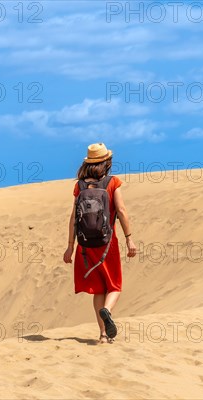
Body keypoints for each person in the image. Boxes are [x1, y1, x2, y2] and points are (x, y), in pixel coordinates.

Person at [63, 143, 137, 344]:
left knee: (98, 290)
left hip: (86, 246)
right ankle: (108, 310)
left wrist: (70, 246)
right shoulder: (113, 182)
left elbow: (73, 218)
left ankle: (103, 335)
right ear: (107, 162)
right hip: (107, 243)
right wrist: (129, 238)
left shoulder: (79, 186)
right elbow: (121, 211)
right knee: (114, 286)